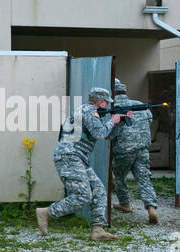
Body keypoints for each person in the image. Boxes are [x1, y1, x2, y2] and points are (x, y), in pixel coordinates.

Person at [36, 87, 132, 241]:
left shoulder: (92, 113)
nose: (108, 105)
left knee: (99, 191)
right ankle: (47, 212)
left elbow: (107, 135)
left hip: (78, 158)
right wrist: (112, 120)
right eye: (107, 102)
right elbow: (100, 133)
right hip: (69, 156)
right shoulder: (88, 111)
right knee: (83, 195)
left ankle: (98, 230)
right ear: (101, 102)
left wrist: (119, 123)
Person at [110, 78, 158, 224]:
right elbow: (149, 120)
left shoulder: (112, 108)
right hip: (142, 148)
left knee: (119, 176)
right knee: (144, 178)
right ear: (124, 91)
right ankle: (151, 208)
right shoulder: (140, 105)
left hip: (124, 150)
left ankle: (125, 204)